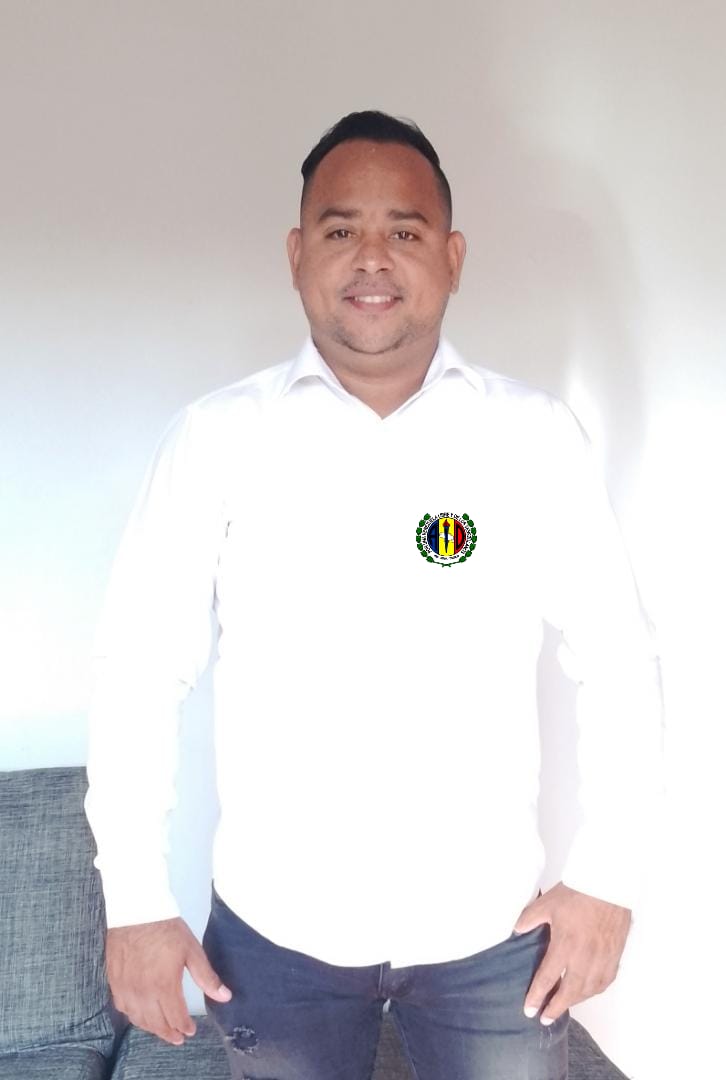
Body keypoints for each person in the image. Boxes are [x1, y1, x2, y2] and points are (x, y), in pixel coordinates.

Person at [85, 110, 661, 1080]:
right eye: (341, 228)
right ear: (297, 254)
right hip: (275, 939)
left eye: (405, 229)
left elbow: (617, 658)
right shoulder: (218, 439)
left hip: (490, 936)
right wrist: (136, 899)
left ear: (453, 257)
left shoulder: (533, 438)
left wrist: (608, 879)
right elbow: (140, 669)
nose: (372, 257)